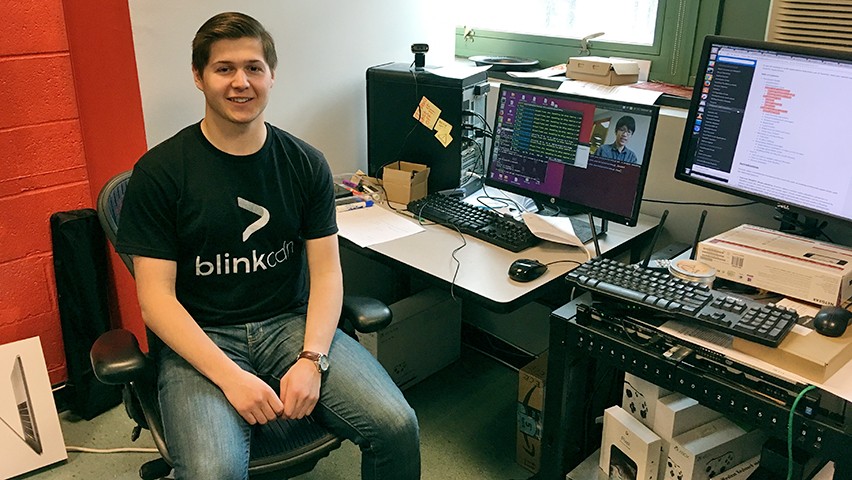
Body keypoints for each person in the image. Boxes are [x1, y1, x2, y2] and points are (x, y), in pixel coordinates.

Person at [115, 12, 420, 479]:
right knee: (213, 471)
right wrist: (231, 379)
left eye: (254, 68)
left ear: (271, 75)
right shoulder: (161, 172)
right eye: (224, 69)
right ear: (198, 77)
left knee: (397, 425)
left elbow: (326, 272)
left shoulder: (304, 164)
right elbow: (156, 300)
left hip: (289, 326)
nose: (241, 82)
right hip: (203, 337)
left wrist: (312, 359)